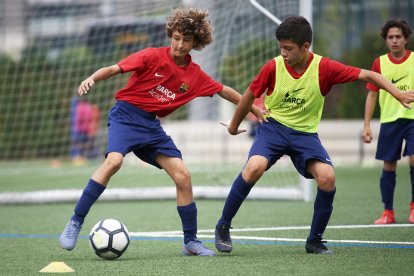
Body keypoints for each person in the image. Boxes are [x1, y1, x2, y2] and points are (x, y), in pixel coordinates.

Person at [58, 7, 264, 257]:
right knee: (114, 161)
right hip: (125, 116)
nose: (179, 44)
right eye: (176, 37)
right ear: (170, 36)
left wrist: (254, 109)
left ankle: (191, 242)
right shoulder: (151, 56)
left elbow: (224, 90)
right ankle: (75, 221)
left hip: (151, 127)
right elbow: (113, 69)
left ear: (195, 43)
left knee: (183, 176)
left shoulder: (195, 75)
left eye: (186, 40)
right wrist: (91, 78)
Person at [214, 16, 414, 255]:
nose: (283, 53)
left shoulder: (325, 68)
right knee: (253, 167)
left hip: (305, 135)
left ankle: (315, 240)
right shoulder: (273, 66)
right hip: (274, 128)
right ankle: (223, 225)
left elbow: (370, 76)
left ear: (305, 47)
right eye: (281, 47)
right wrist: (234, 125)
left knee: (327, 177)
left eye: (288, 48)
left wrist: (398, 95)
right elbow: (248, 95)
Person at [362, 18, 414, 225]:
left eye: (398, 37)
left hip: (412, 119)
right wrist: (366, 125)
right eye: (390, 37)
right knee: (389, 166)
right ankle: (388, 212)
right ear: (385, 40)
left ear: (406, 39)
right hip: (389, 121)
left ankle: (413, 208)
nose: (394, 41)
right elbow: (372, 94)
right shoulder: (379, 63)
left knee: (413, 159)